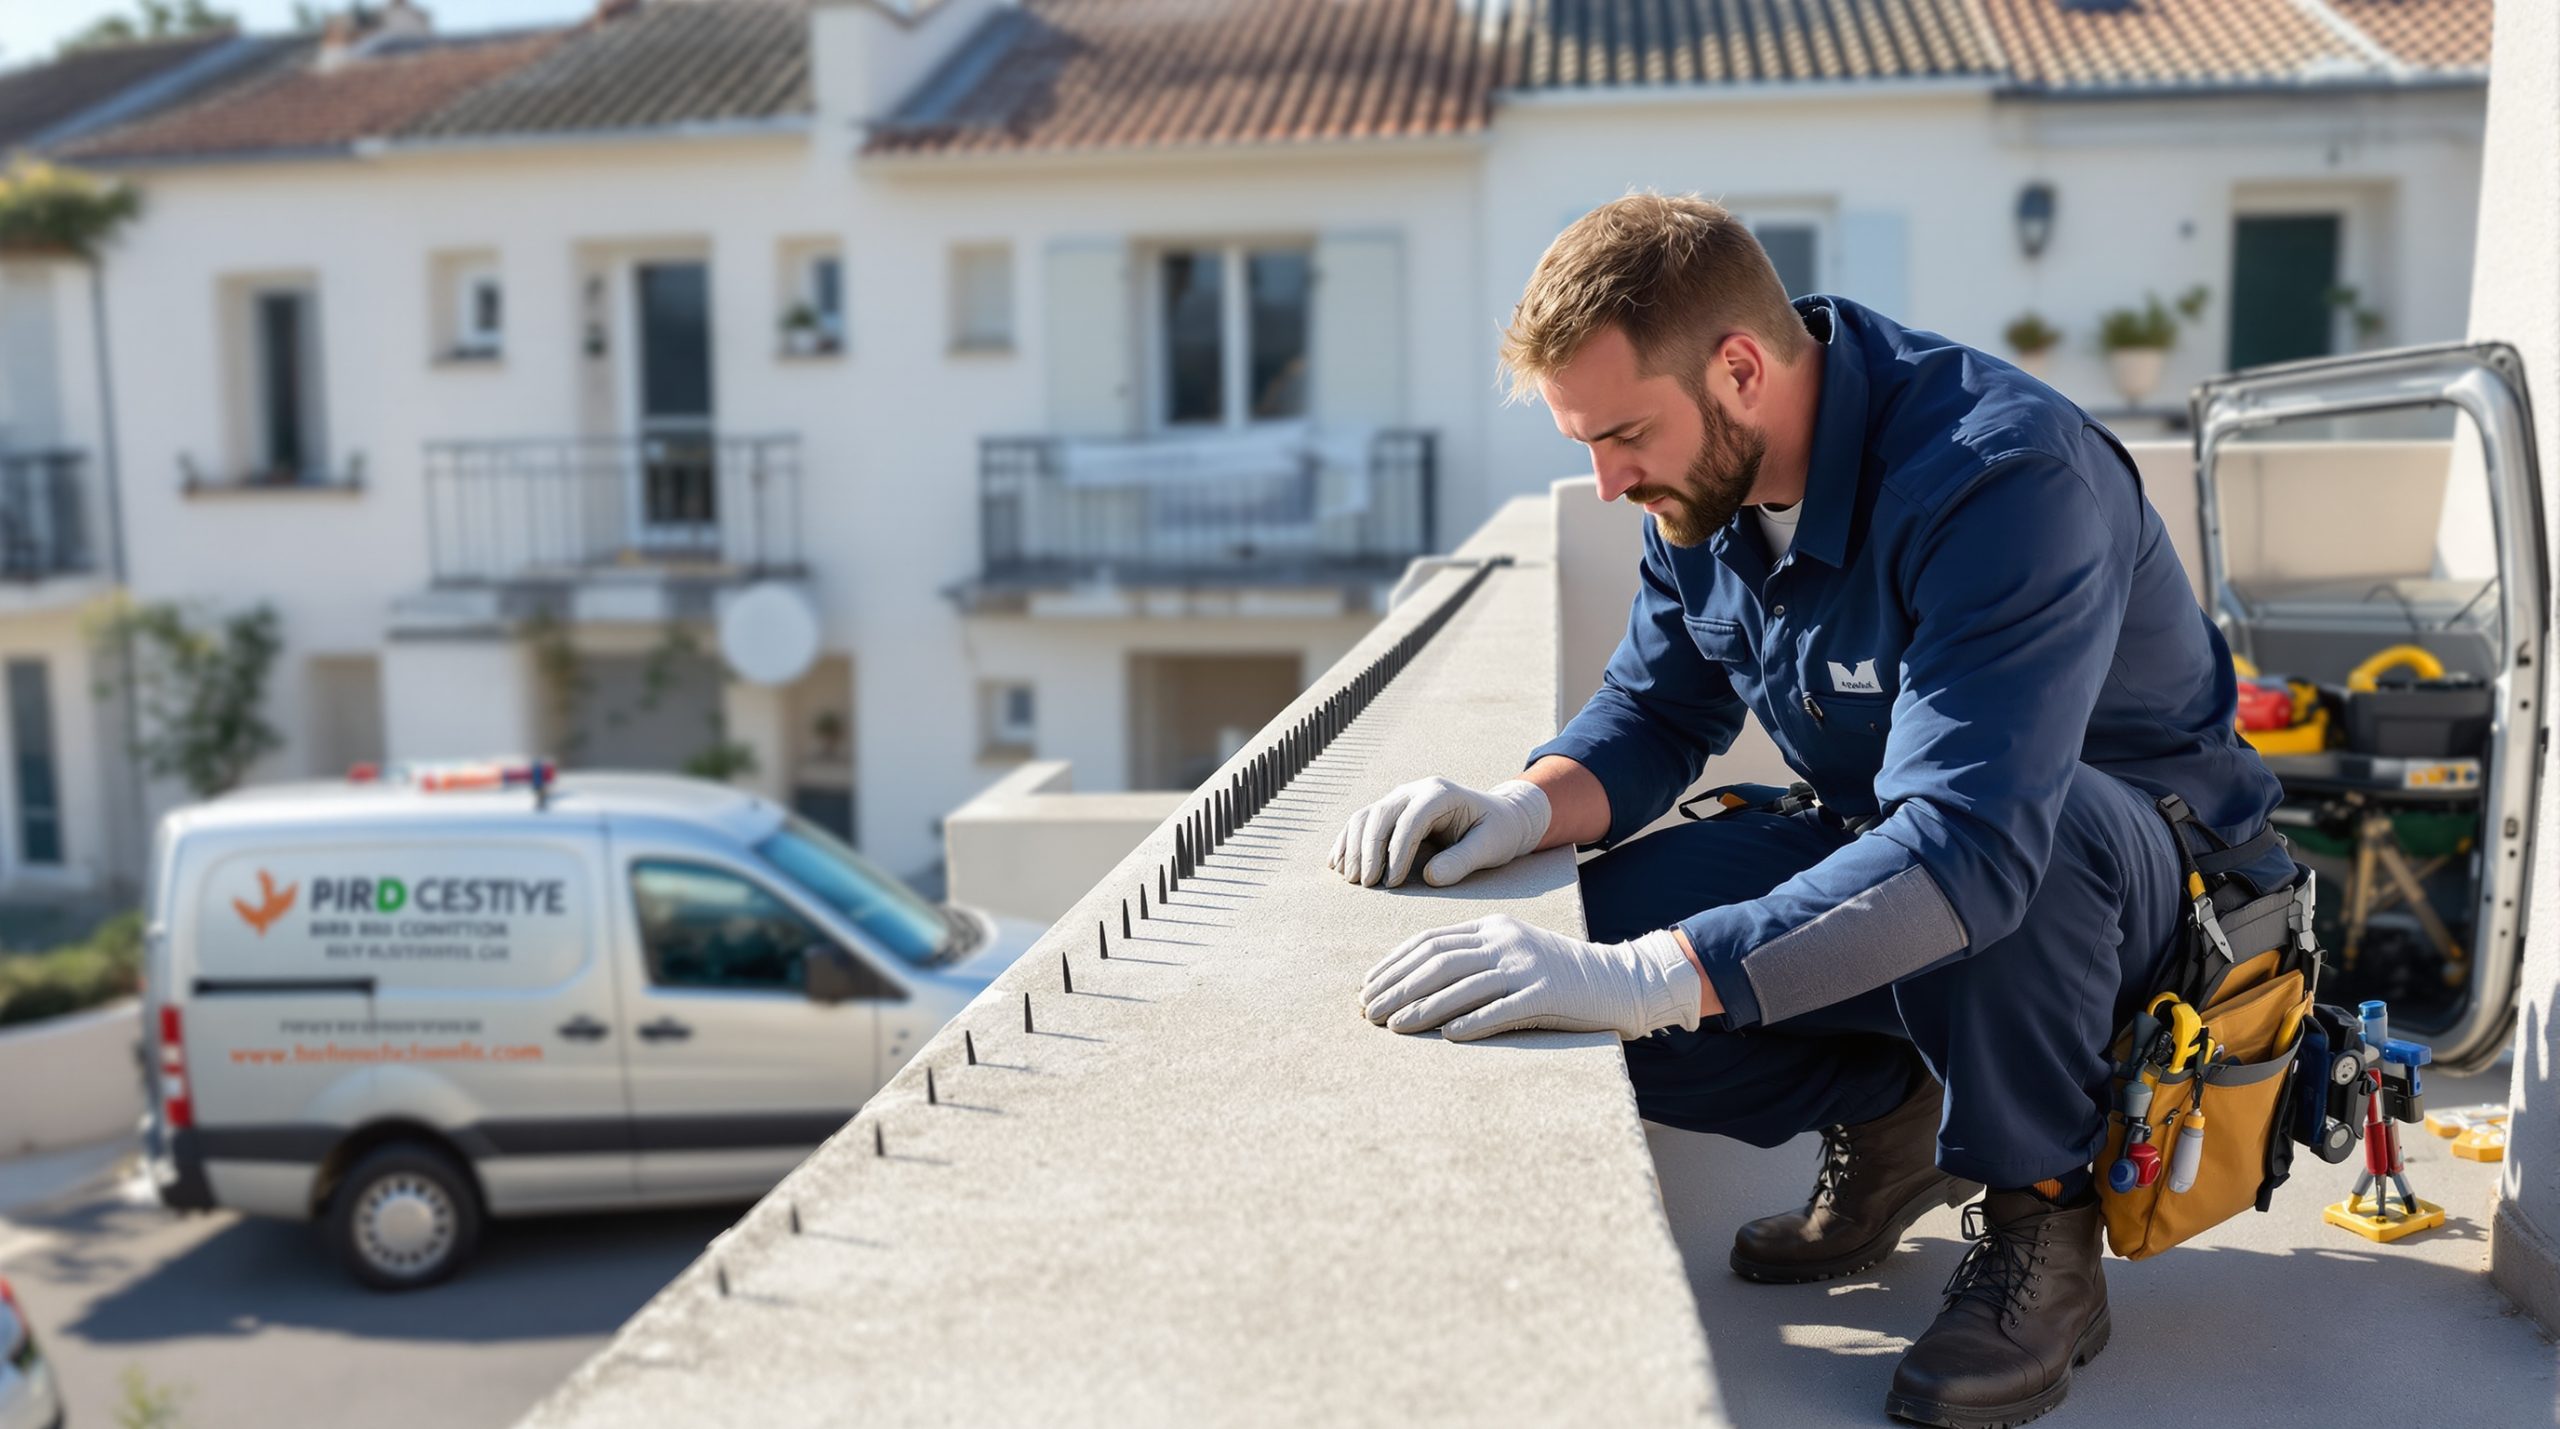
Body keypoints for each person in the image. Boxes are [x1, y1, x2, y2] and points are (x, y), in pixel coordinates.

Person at [1331, 192, 2296, 1429]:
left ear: (1738, 366)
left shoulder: (1998, 477)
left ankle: (2041, 1227)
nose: (1607, 480)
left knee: (2015, 843)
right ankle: (1896, 1115)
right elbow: (1653, 713)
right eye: (1587, 445)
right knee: (1565, 949)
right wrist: (1517, 808)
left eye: (1622, 434)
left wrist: (1648, 979)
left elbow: (1973, 842)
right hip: (1915, 855)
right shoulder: (1701, 490)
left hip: (2140, 909)